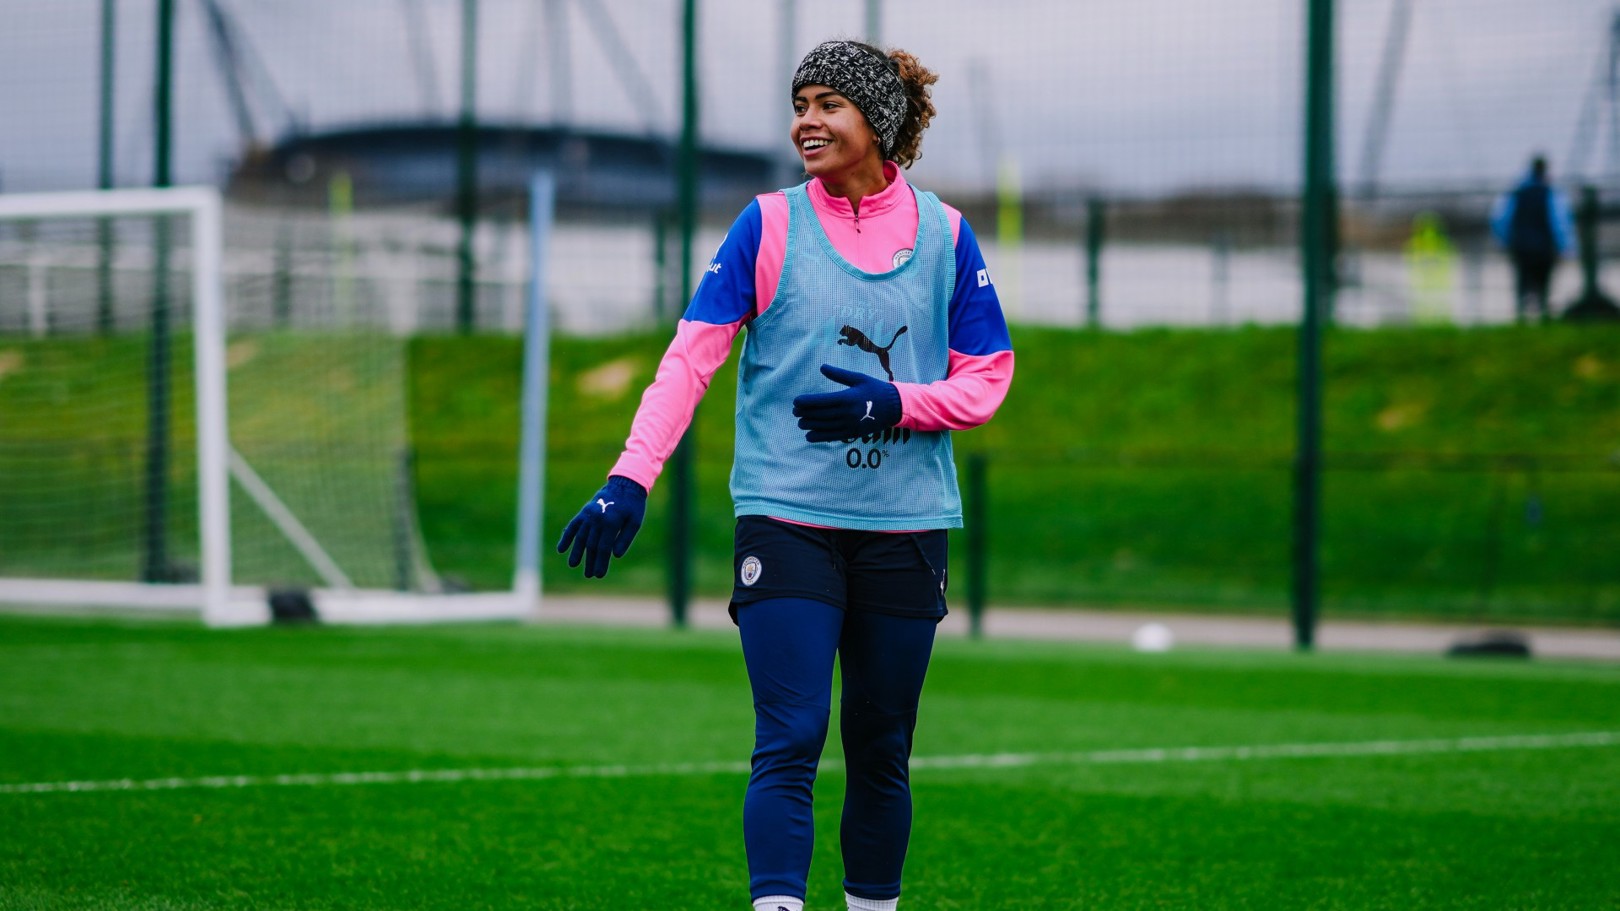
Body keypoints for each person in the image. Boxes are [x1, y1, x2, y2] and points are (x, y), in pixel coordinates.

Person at [556, 39, 1014, 911]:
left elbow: (988, 376)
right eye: (800, 104)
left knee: (881, 747)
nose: (807, 120)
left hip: (905, 525)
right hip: (787, 519)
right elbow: (689, 360)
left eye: (828, 103)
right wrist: (631, 475)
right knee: (791, 735)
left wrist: (894, 403)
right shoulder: (766, 225)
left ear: (877, 119)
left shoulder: (948, 234)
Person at [1490, 155, 1575, 322]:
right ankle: (1543, 315)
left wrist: (1504, 241)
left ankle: (1521, 316)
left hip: (1521, 246)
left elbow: (1500, 219)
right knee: (1544, 284)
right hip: (1544, 247)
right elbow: (1559, 222)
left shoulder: (1517, 193)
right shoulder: (1550, 193)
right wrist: (1565, 247)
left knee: (1522, 282)